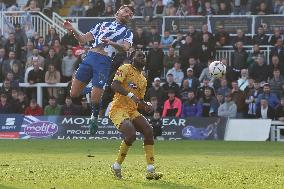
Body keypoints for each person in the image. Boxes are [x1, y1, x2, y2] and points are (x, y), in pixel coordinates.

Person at [63, 5, 134, 133]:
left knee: (95, 99)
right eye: (126, 11)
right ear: (118, 12)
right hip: (89, 57)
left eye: (131, 13)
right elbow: (83, 39)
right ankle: (94, 87)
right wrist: (72, 29)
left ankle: (94, 117)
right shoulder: (102, 25)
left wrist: (111, 43)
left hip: (104, 61)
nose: (128, 14)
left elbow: (125, 48)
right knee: (73, 94)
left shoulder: (128, 32)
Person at [109, 50, 163, 180]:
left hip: (132, 110)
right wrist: (131, 95)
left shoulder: (143, 79)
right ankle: (116, 165)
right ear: (132, 58)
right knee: (131, 134)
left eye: (144, 57)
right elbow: (114, 84)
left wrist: (146, 105)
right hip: (119, 108)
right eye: (139, 56)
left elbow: (139, 100)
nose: (142, 58)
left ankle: (150, 170)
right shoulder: (125, 68)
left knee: (149, 131)